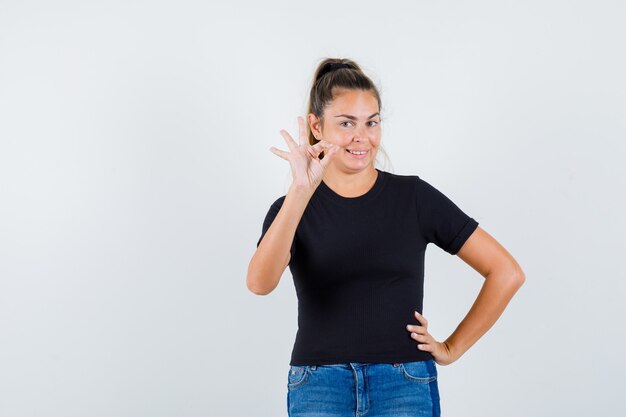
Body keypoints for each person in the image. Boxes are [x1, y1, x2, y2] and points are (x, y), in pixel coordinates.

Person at [247, 58, 525, 417]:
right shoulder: (290, 208)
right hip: (319, 385)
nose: (361, 136)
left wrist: (451, 348)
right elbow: (259, 283)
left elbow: (506, 272)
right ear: (317, 126)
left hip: (404, 383)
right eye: (346, 123)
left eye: (371, 122)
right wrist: (300, 192)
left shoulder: (414, 198)